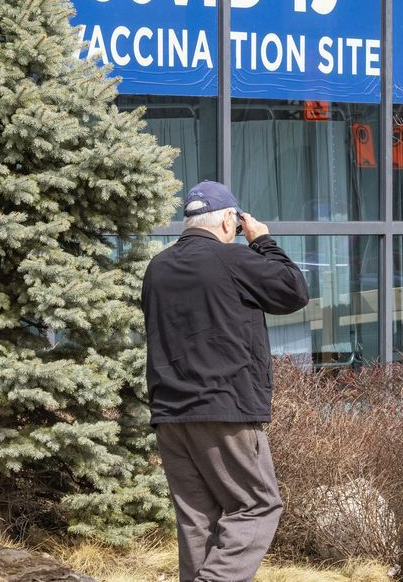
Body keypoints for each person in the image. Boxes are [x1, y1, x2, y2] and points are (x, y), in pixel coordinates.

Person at [142, 180, 309, 582]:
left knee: (198, 520)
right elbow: (293, 291)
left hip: (170, 414)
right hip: (225, 410)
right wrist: (263, 241)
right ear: (228, 221)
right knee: (257, 507)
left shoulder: (157, 267)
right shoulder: (232, 260)